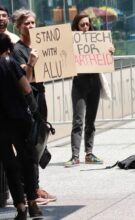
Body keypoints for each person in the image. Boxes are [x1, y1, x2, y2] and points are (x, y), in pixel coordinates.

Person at [12, 8, 56, 205]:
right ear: (19, 27)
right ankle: (29, 190)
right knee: (30, 145)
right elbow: (25, 81)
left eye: (32, 23)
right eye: (26, 23)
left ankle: (34, 186)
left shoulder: (42, 45)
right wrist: (30, 63)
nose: (30, 26)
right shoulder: (18, 50)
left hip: (41, 96)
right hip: (28, 100)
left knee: (38, 142)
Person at [0, 32, 42, 219]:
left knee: (9, 164)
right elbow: (26, 88)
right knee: (27, 160)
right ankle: (33, 203)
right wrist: (36, 113)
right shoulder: (11, 64)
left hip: (1, 123)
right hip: (20, 119)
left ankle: (20, 208)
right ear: (7, 48)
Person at [65, 13, 114, 167]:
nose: (86, 28)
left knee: (90, 120)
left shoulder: (96, 40)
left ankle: (89, 153)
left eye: (87, 24)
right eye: (82, 25)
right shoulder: (72, 42)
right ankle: (74, 155)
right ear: (76, 27)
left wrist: (110, 51)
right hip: (80, 83)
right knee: (78, 120)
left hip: (94, 83)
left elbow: (105, 58)